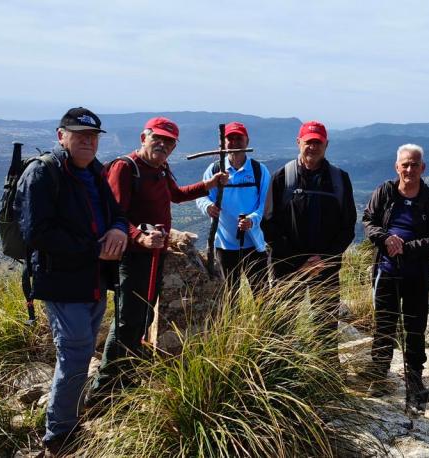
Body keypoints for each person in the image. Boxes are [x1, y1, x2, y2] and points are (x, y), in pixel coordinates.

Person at [14, 107, 128, 453]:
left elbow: (118, 213)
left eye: (92, 137)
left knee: (79, 352)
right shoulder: (43, 173)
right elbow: (37, 232)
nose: (87, 142)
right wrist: (95, 248)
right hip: (61, 281)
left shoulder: (95, 173)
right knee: (76, 353)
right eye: (79, 135)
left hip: (93, 281)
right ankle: (59, 435)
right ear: (61, 136)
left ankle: (68, 419)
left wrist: (119, 230)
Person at [89, 116, 228, 397]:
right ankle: (104, 389)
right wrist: (139, 236)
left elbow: (175, 195)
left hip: (154, 255)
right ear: (144, 138)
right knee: (128, 320)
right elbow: (114, 215)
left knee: (140, 318)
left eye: (169, 142)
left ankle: (126, 377)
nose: (163, 145)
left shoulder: (161, 169)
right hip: (132, 257)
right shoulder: (126, 168)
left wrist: (209, 184)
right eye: (158, 138)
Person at [361, 144, 429, 407]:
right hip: (386, 272)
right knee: (384, 324)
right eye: (405, 164)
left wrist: (406, 248)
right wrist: (386, 239)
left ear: (423, 168)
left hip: (417, 275)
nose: (409, 169)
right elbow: (368, 221)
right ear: (397, 167)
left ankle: (415, 376)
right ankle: (379, 371)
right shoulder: (385, 192)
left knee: (415, 328)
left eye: (414, 164)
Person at [263, 120, 355, 356]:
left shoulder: (339, 179)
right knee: (284, 321)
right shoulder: (282, 177)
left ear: (326, 144)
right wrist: (299, 262)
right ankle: (281, 370)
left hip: (325, 267)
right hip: (287, 267)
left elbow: (348, 226)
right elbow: (270, 224)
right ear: (298, 142)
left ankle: (326, 371)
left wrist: (321, 259)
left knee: (325, 323)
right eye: (308, 142)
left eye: (318, 142)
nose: (312, 147)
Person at [196, 121, 271, 294]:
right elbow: (203, 196)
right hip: (225, 244)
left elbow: (265, 204)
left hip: (254, 243)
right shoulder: (215, 170)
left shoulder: (259, 170)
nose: (235, 142)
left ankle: (264, 322)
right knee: (230, 296)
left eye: (239, 138)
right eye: (230, 138)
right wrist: (208, 207)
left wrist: (252, 220)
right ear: (223, 143)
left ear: (247, 141)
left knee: (262, 294)